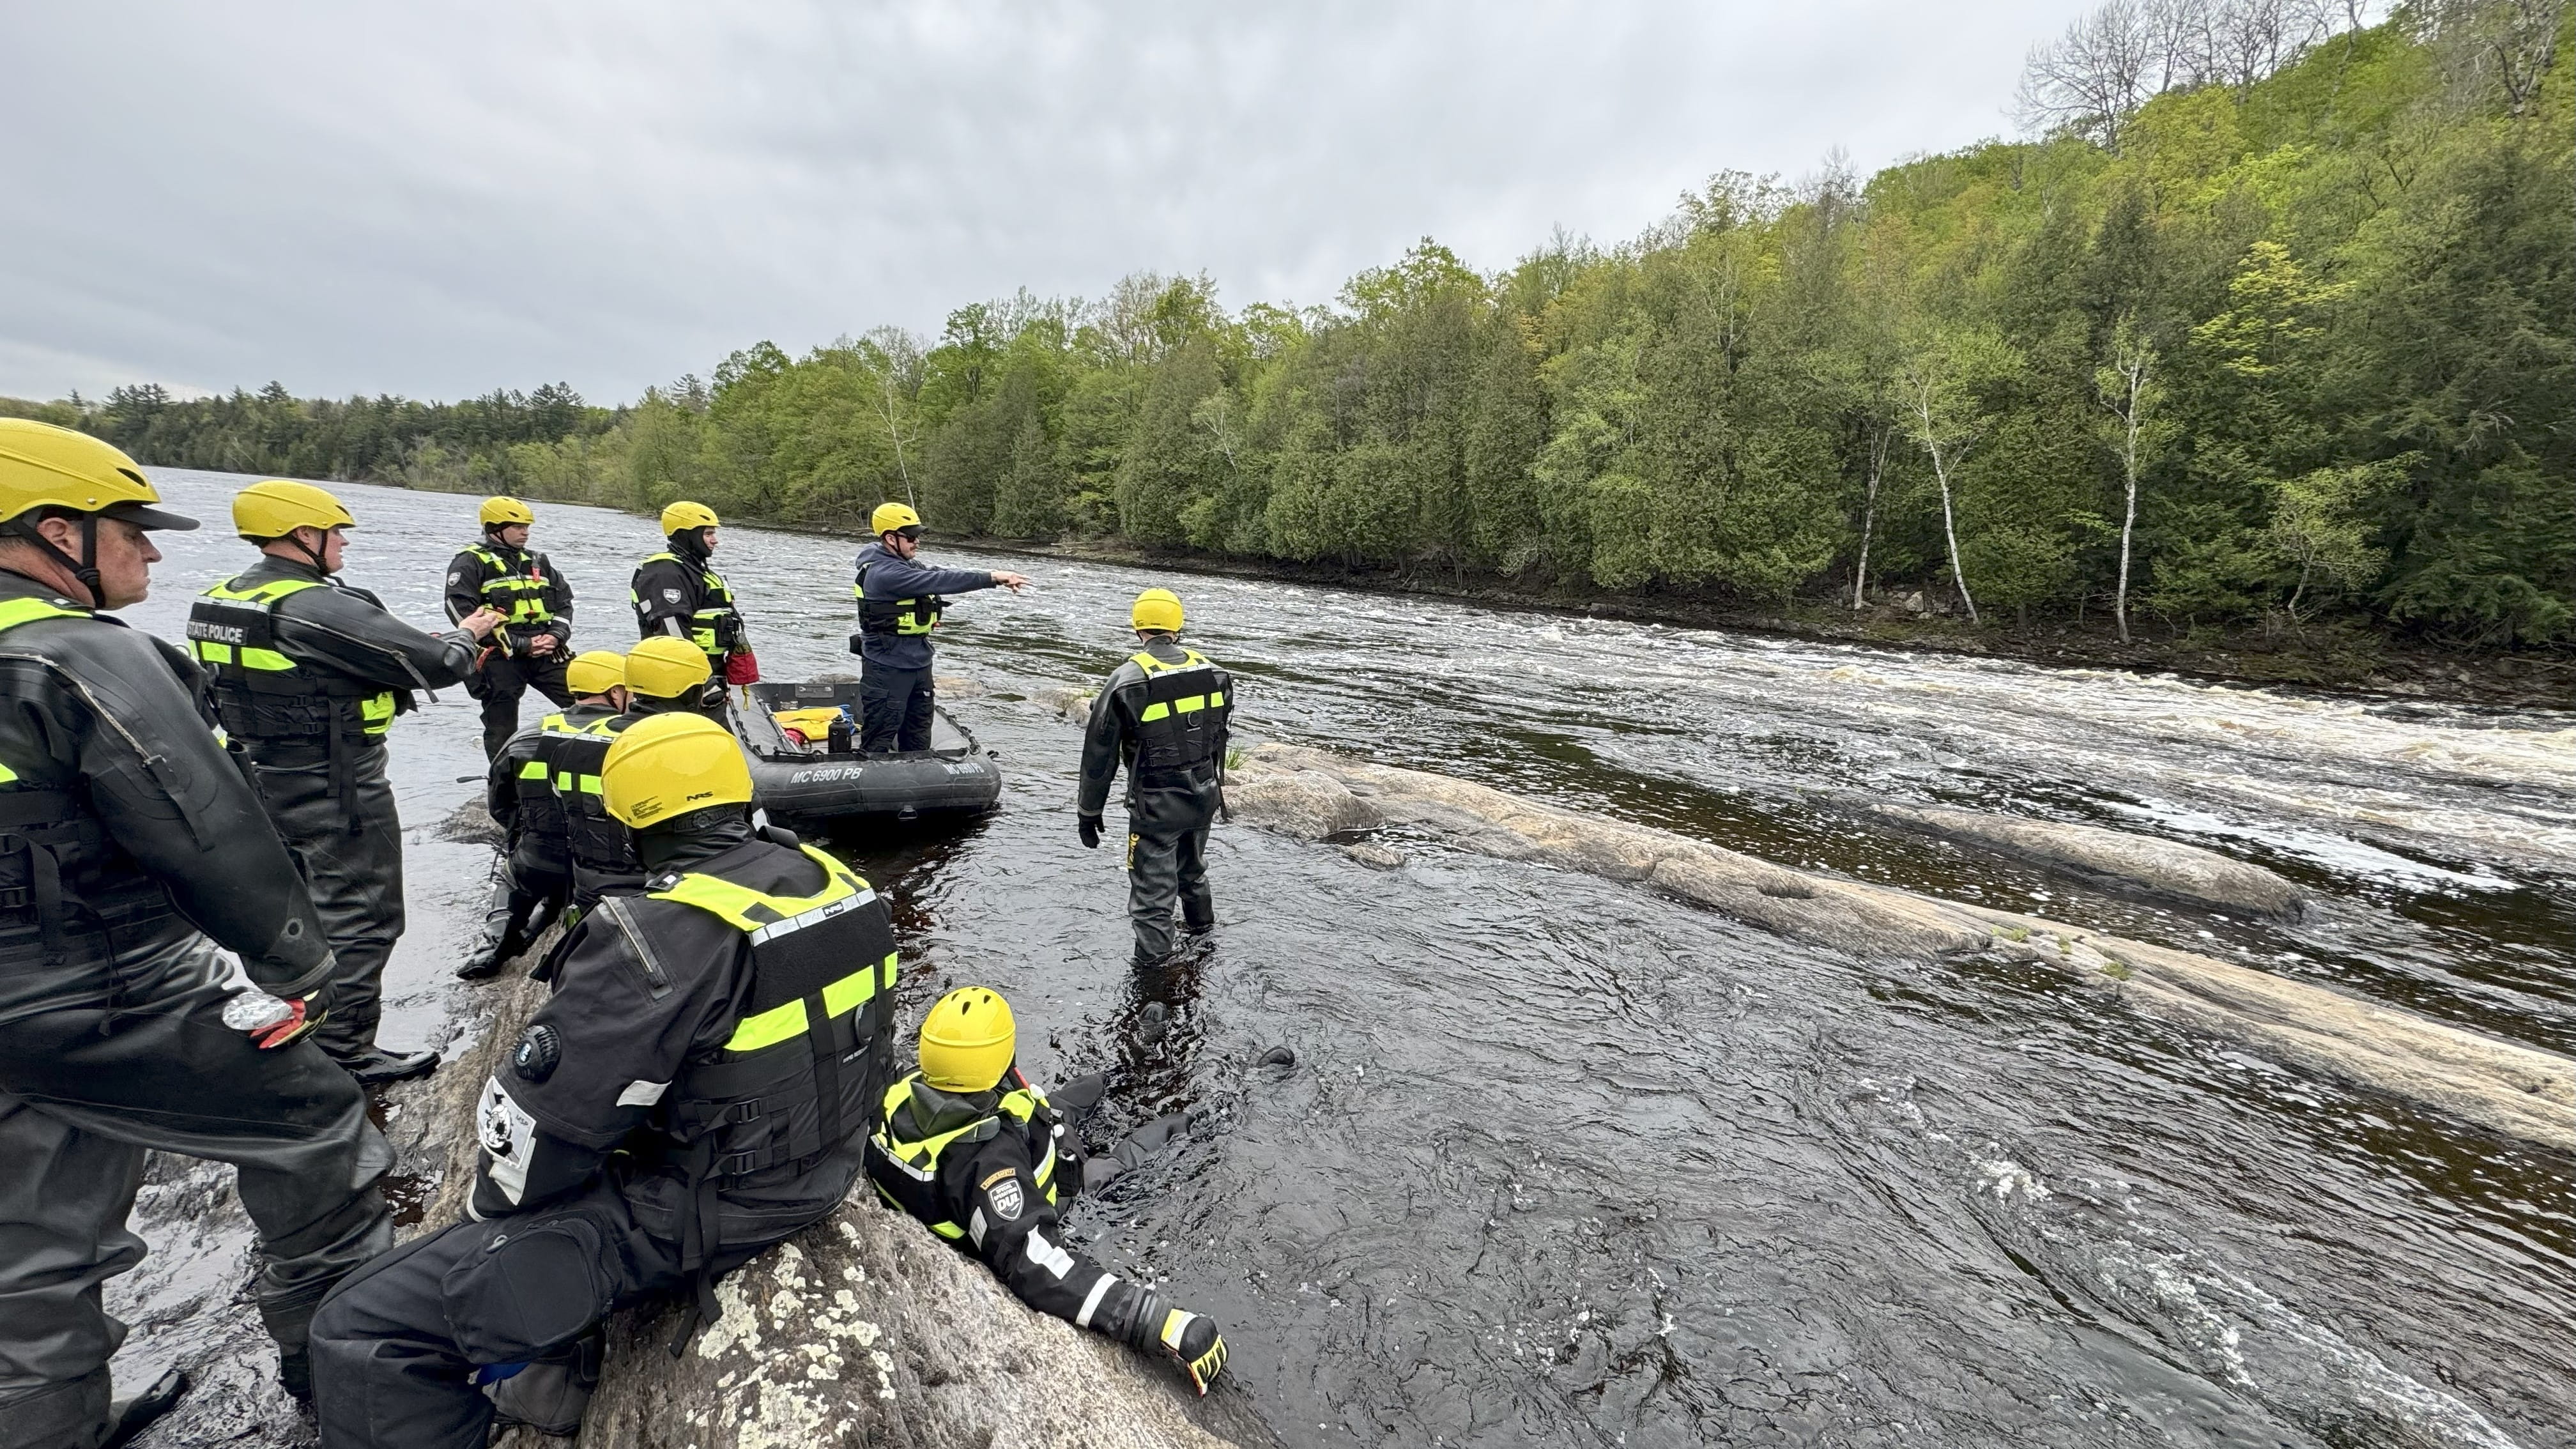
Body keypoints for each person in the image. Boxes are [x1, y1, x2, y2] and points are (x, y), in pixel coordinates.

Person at [309, 712, 900, 1448]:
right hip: (824, 1172)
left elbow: (540, 1136)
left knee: (358, 1328)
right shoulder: (838, 883)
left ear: (627, 825)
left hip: (701, 1210)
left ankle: (542, 1374)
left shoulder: (654, 935)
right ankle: (554, 1355)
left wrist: (495, 1227)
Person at [0, 420, 395, 1442]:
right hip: (99, 984)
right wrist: (297, 964)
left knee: (29, 1247)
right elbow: (211, 831)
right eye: (129, 526)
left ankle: (53, 1422)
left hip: (19, 1014)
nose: (154, 550)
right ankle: (350, 1389)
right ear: (54, 531)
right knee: (321, 1132)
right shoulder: (76, 656)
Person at [189, 480, 503, 1084]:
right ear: (305, 535)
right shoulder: (313, 604)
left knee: (291, 911)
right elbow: (436, 665)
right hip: (334, 782)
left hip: (252, 773)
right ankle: (344, 1055)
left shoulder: (220, 599)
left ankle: (288, 1024)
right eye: (337, 534)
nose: (343, 546)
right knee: (366, 917)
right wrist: (470, 635)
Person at [866, 985, 1229, 1395]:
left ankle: (1134, 1061)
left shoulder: (898, 1096)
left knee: (1090, 1088)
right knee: (1159, 1135)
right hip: (1067, 1184)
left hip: (1032, 1131)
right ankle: (1220, 1106)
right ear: (1000, 1061)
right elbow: (1038, 1264)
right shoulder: (986, 1163)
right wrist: (1159, 1320)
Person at [1076, 588, 1234, 968]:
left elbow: (1100, 751)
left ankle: (1153, 979)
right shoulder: (1215, 673)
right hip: (1203, 796)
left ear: (1137, 627)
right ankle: (1204, 942)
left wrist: (1088, 810)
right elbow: (1216, 737)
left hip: (1156, 806)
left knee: (1152, 899)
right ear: (1178, 626)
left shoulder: (1128, 679)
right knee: (1192, 871)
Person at [455, 649, 627, 981]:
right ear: (616, 691)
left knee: (514, 880)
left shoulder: (528, 734)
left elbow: (500, 804)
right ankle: (540, 930)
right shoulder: (629, 740)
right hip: (599, 863)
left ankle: (492, 947)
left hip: (537, 856)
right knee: (559, 888)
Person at [550, 637, 713, 916]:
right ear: (690, 692)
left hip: (590, 889)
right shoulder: (689, 743)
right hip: (662, 894)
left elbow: (561, 813)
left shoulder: (576, 741)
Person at [849, 502, 1027, 753]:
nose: (917, 542)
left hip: (919, 661)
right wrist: (991, 577)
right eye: (911, 537)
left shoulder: (906, 564)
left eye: (918, 536)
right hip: (887, 665)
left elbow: (940, 573)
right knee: (881, 732)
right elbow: (937, 580)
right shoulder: (885, 573)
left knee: (919, 733)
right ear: (890, 538)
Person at [445, 496, 574, 761]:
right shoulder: (469, 562)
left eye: (527, 527)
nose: (525, 533)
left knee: (587, 700)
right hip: (500, 657)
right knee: (501, 726)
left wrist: (556, 636)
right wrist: (520, 644)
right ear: (495, 528)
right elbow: (462, 613)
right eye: (517, 527)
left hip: (547, 651)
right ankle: (502, 783)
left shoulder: (539, 561)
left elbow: (564, 603)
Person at [630, 500, 750, 702]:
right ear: (688, 535)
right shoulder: (665, 573)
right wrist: (705, 684)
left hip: (706, 672)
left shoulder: (697, 572)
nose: (715, 541)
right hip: (679, 680)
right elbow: (673, 634)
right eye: (708, 534)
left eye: (714, 534)